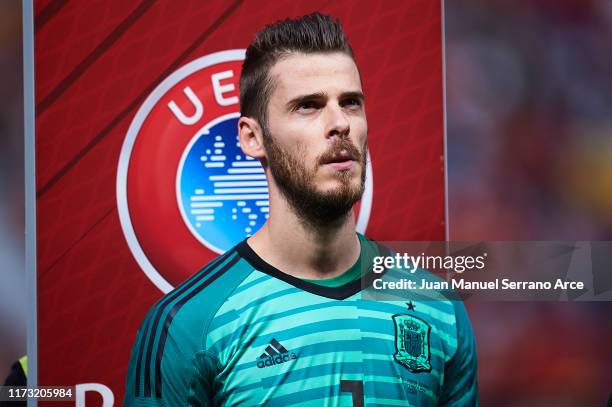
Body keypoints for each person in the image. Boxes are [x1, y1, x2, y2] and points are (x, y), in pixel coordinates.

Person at [125, 12, 478, 406]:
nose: (340, 123)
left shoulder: (438, 308)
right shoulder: (188, 324)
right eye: (308, 106)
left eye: (351, 103)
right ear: (252, 138)